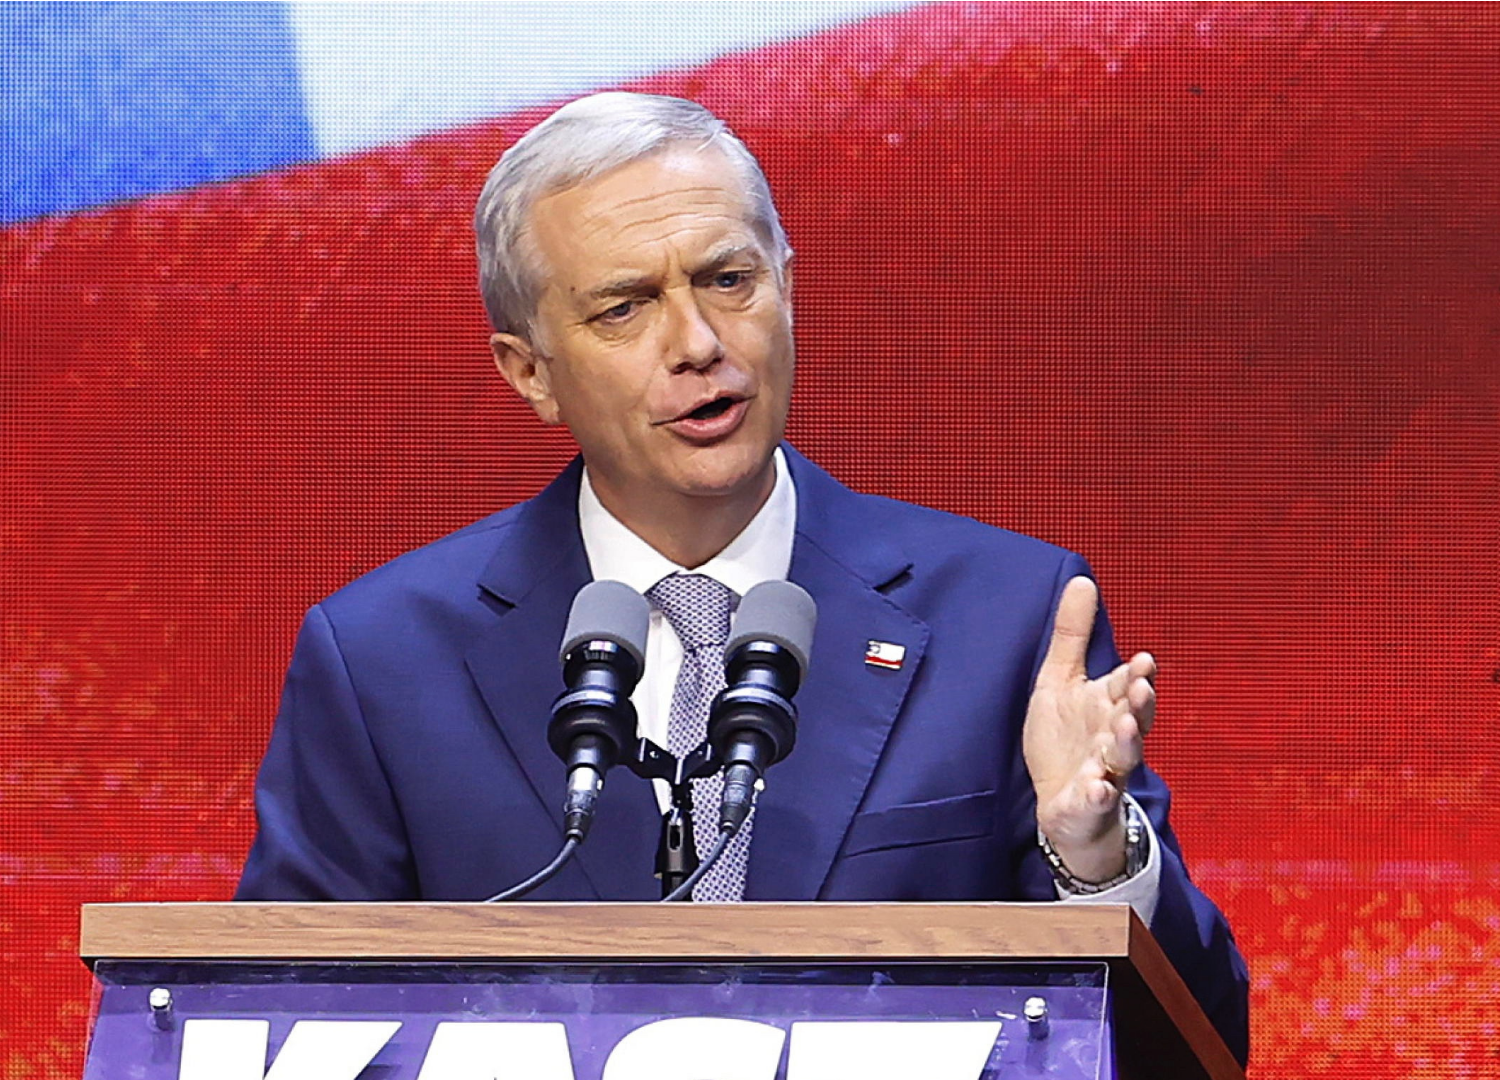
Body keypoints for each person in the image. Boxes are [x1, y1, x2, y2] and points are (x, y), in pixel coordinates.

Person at [235, 91, 1248, 1062]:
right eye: (625, 308)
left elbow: (1201, 1041)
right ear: (529, 370)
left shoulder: (1008, 620)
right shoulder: (382, 662)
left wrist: (1093, 863)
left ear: (786, 288)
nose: (699, 344)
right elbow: (272, 1027)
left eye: (727, 280)